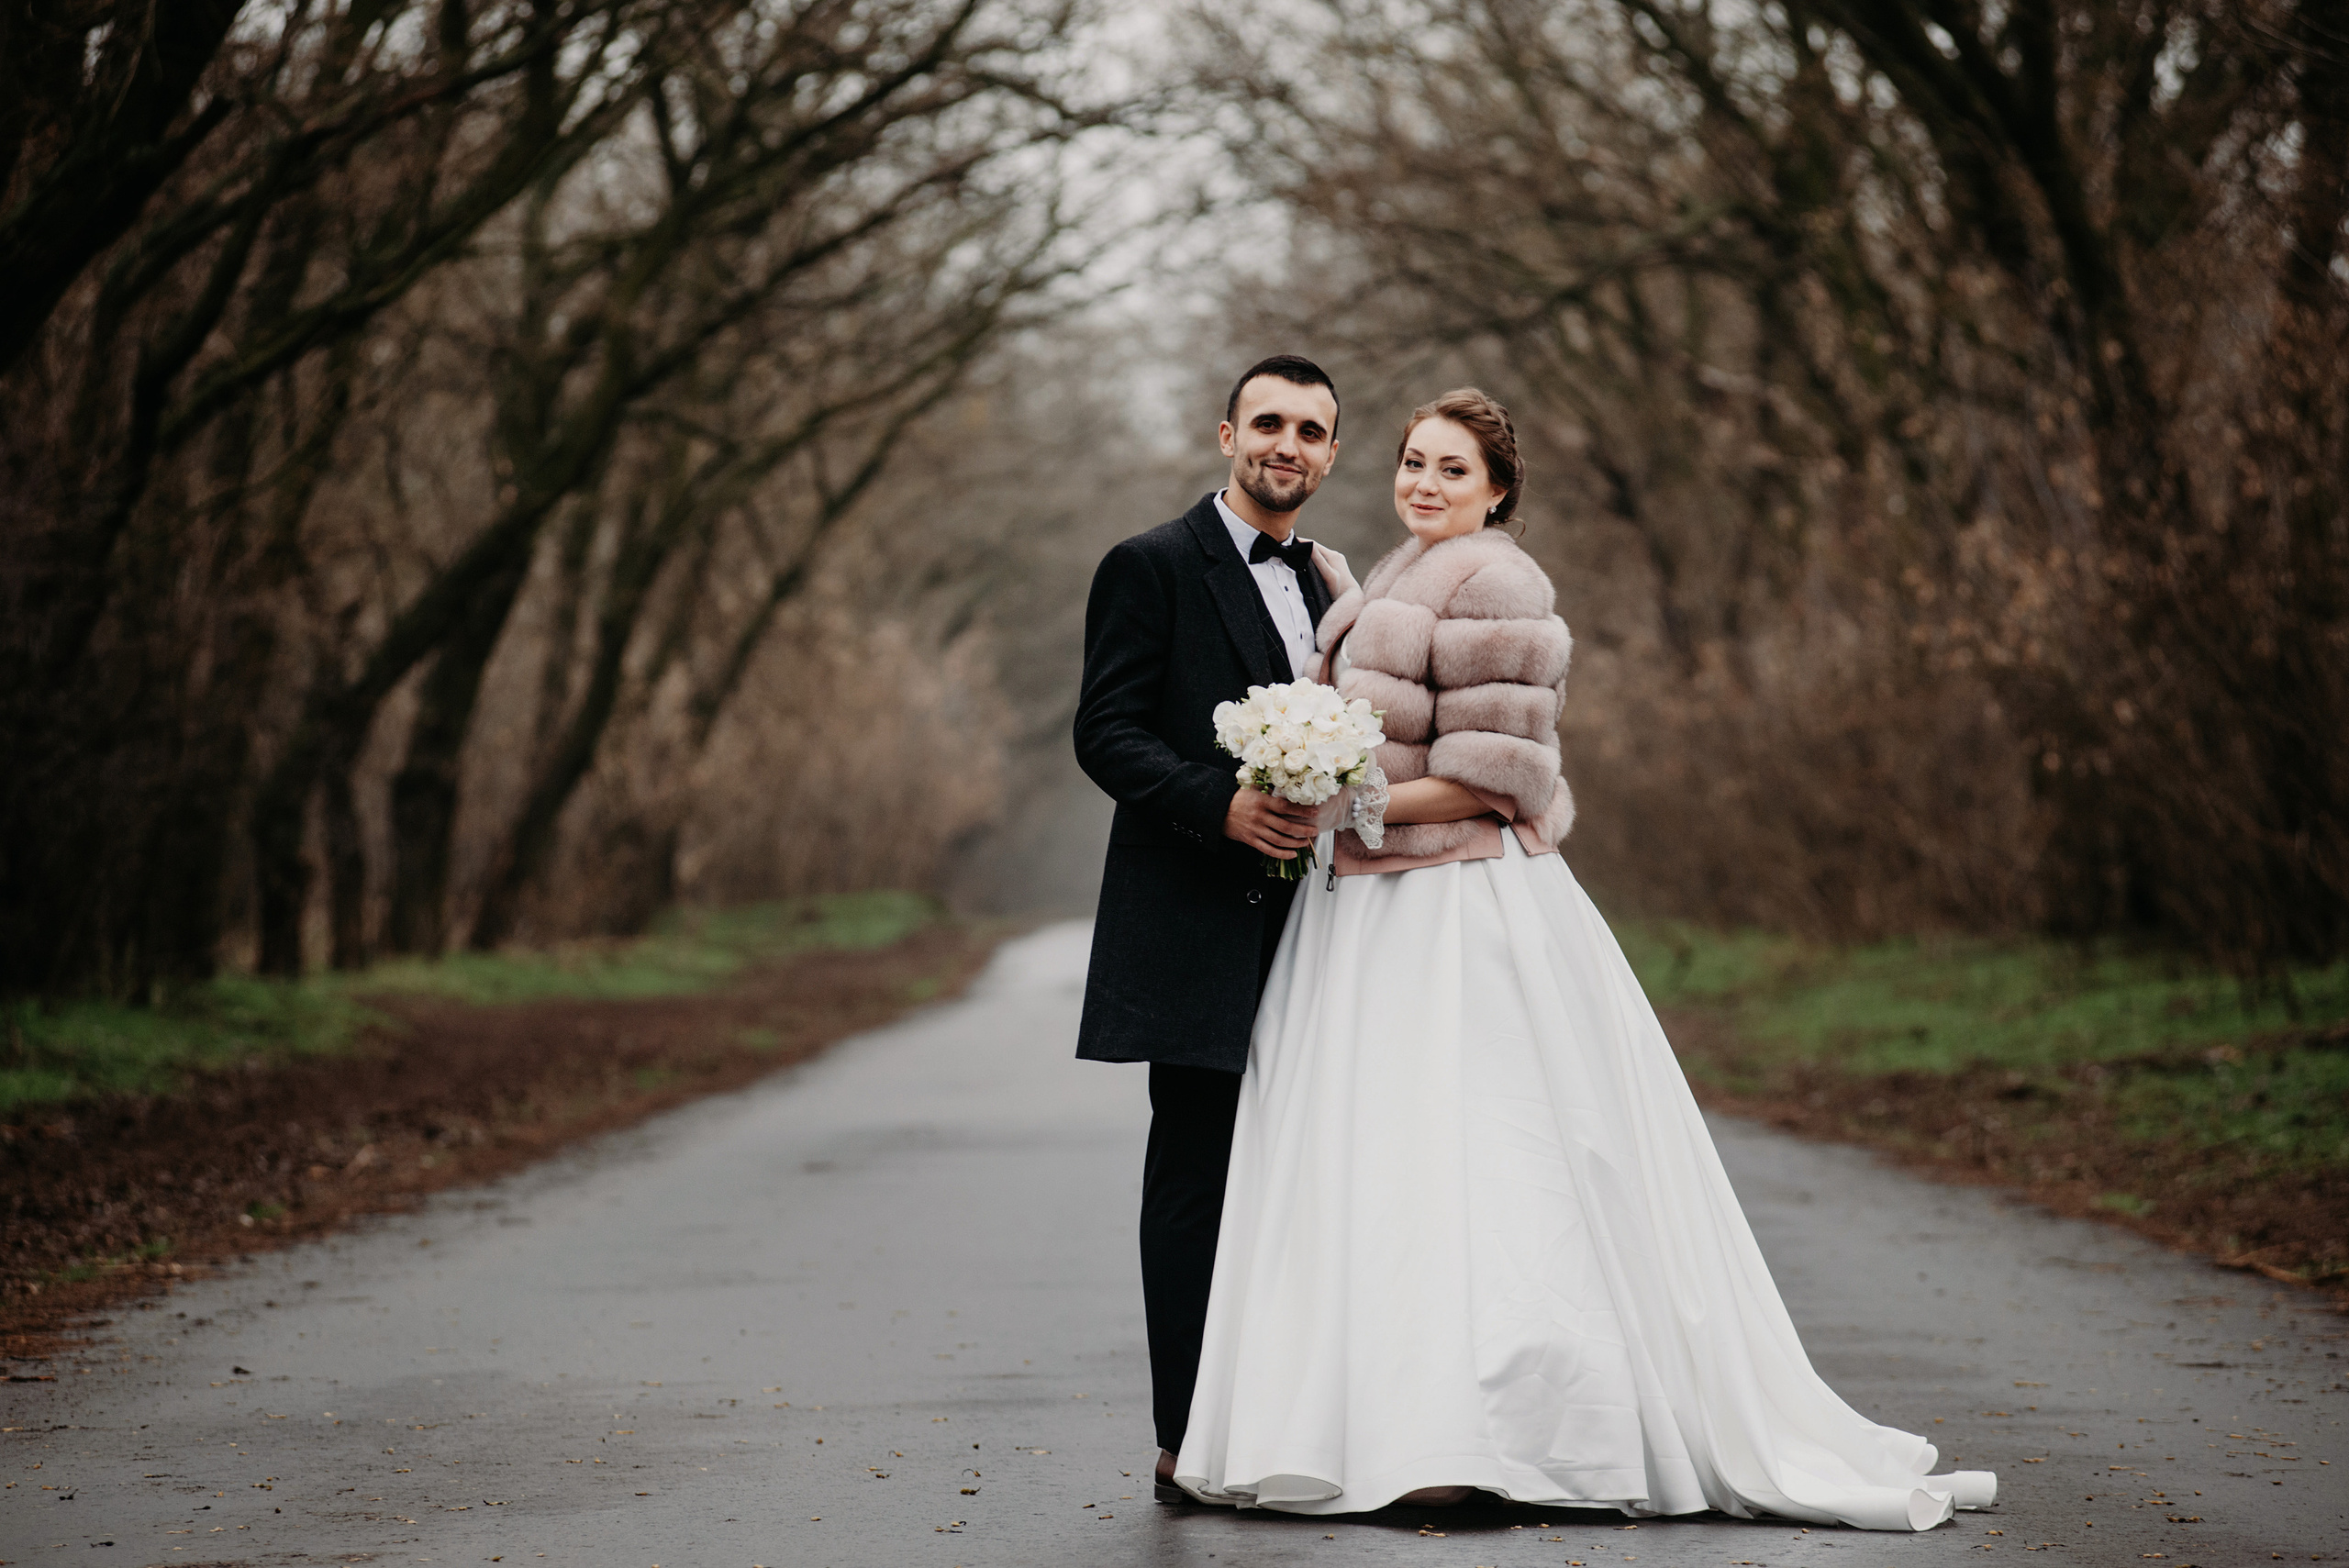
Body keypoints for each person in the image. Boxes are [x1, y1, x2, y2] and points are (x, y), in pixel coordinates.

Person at [1169, 388, 1999, 1533]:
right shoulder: (1386, 574)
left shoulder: (1497, 583)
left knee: (1485, 1160)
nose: (1424, 483)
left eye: (1452, 469)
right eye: (1413, 461)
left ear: (1498, 488)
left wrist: (1341, 801)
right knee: (1386, 1167)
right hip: (1367, 909)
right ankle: (1388, 1422)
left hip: (1458, 903)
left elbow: (1495, 777)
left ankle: (1494, 1432)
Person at [1073, 352, 1364, 1502]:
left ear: (1331, 453)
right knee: (1196, 1175)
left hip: (1325, 929)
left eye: (1310, 430)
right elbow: (1105, 731)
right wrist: (1219, 802)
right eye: (1269, 423)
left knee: (1313, 1174)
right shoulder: (1148, 564)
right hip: (1196, 919)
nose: (1287, 445)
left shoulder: (1336, 582)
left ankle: (1301, 1418)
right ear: (1227, 434)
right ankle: (1186, 1437)